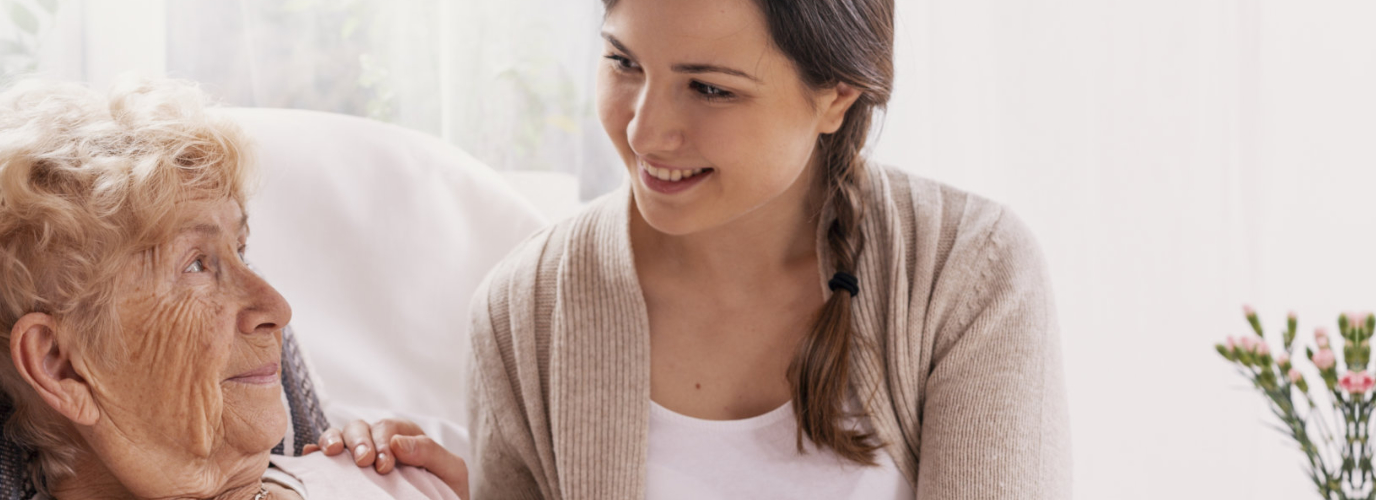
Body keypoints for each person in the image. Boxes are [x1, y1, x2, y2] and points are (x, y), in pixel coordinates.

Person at [316, 0, 1072, 498]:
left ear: (837, 94)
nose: (646, 132)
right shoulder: (525, 312)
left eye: (708, 88)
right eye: (624, 64)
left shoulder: (969, 273)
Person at [0, 77, 465, 500]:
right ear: (60, 364)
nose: (277, 309)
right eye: (197, 265)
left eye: (239, 251)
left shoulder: (385, 471)